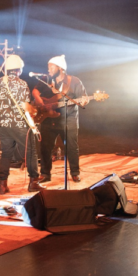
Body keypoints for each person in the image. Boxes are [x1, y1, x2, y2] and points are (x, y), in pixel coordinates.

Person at [32, 55, 88, 183]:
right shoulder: (46, 79)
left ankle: (75, 172)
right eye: (48, 67)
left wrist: (84, 101)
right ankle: (45, 174)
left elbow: (83, 98)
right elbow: (35, 91)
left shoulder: (74, 81)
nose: (49, 69)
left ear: (61, 68)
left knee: (72, 147)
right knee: (45, 147)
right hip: (49, 119)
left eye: (51, 67)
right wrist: (41, 102)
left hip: (69, 119)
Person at [0, 55, 45, 194]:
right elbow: (25, 106)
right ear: (18, 69)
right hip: (18, 124)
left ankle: (2, 184)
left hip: (3, 124)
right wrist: (34, 111)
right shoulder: (22, 84)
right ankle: (34, 182)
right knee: (31, 152)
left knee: (6, 153)